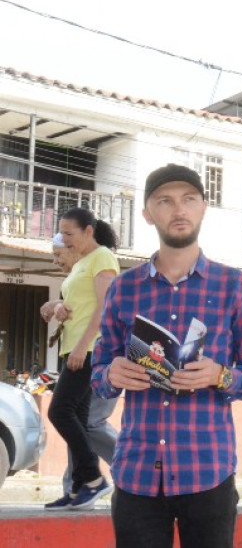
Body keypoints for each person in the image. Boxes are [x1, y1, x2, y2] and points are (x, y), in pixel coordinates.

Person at [91, 163, 242, 548]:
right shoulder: (123, 290)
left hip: (207, 471)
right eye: (166, 201)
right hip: (137, 473)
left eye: (189, 200)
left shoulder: (235, 287)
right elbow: (99, 373)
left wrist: (219, 376)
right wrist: (112, 375)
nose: (179, 210)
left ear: (203, 207)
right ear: (148, 213)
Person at [44, 209, 121, 510]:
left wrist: (83, 346)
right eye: (61, 233)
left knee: (59, 412)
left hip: (91, 349)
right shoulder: (83, 263)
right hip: (75, 347)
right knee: (76, 418)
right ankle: (78, 489)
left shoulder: (102, 257)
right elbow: (81, 303)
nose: (64, 239)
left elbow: (104, 307)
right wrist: (59, 306)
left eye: (69, 234)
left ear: (88, 231)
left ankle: (93, 477)